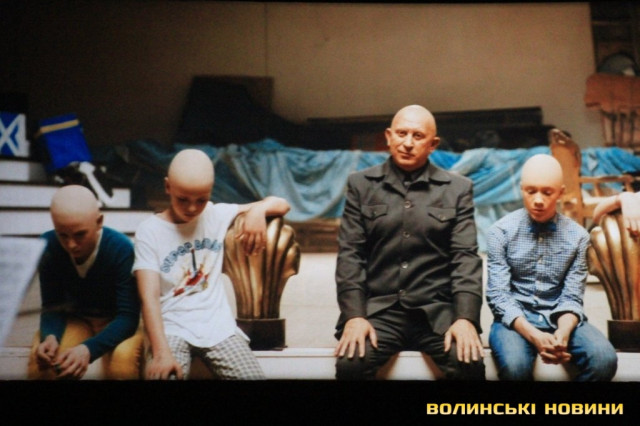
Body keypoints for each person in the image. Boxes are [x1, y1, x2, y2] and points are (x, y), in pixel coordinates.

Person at [334, 105, 485, 380]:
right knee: (351, 363)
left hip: (436, 314)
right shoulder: (361, 185)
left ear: (433, 144)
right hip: (380, 312)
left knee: (468, 363)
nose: (407, 143)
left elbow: (465, 258)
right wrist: (354, 316)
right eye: (401, 133)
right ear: (389, 136)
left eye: (417, 136)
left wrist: (465, 319)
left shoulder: (457, 189)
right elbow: (350, 255)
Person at [133, 148, 290, 380]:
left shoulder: (216, 215)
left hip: (219, 330)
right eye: (183, 199)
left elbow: (281, 204)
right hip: (171, 330)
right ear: (168, 187)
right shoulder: (150, 231)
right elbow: (149, 298)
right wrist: (161, 353)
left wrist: (258, 209)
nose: (192, 208)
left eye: (201, 200)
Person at [486, 154, 618, 381]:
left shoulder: (578, 236)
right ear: (521, 189)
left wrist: (563, 333)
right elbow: (499, 296)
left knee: (604, 359)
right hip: (515, 320)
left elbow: (572, 296)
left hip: (561, 317)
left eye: (547, 192)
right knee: (515, 367)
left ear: (560, 192)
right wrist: (534, 335)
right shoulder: (500, 232)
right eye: (531, 191)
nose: (538, 200)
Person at [27, 185, 143, 380]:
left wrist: (88, 349)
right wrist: (51, 336)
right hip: (76, 318)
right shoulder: (49, 246)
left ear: (99, 222)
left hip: (116, 320)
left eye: (80, 234)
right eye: (63, 235)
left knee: (123, 362)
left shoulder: (121, 249)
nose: (71, 244)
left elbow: (128, 317)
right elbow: (52, 306)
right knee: (45, 362)